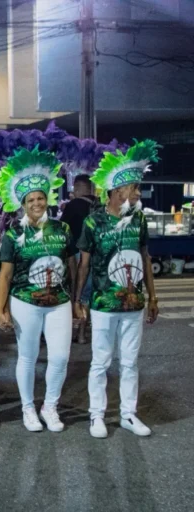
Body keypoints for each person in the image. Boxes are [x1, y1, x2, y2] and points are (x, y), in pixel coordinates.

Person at [75, 140, 160, 439]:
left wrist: (153, 297)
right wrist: (78, 299)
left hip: (134, 305)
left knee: (130, 362)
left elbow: (145, 258)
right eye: (133, 188)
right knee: (101, 362)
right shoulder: (93, 222)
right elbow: (84, 265)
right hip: (103, 304)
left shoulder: (138, 219)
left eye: (137, 188)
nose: (138, 193)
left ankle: (128, 414)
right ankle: (96, 415)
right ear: (116, 191)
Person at [0, 147, 78, 433]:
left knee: (60, 357)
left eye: (41, 198)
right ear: (23, 204)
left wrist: (77, 300)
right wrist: (0, 309)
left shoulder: (62, 229)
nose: (37, 203)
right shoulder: (13, 234)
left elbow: (72, 266)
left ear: (47, 199)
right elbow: (5, 275)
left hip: (59, 301)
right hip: (25, 301)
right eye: (31, 199)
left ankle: (50, 407)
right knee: (27, 357)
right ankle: (28, 407)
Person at [61, 174, 97, 344]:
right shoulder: (99, 206)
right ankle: (83, 333)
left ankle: (71, 331)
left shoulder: (72, 205)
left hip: (76, 256)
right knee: (87, 296)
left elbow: (61, 229)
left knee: (76, 292)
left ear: (76, 188)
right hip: (96, 256)